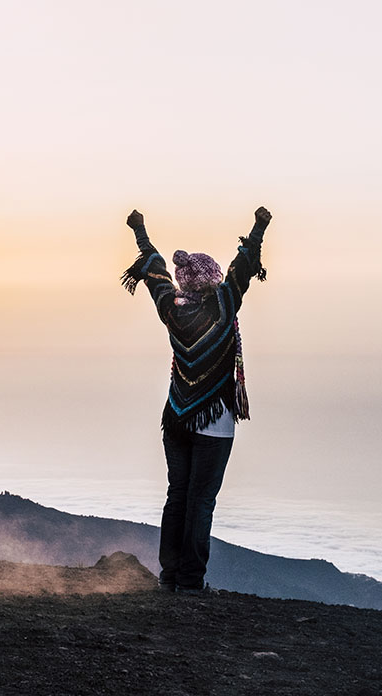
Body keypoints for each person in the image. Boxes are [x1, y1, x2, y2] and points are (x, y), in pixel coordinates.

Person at [122, 206, 271, 594]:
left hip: (175, 419)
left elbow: (155, 270)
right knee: (201, 501)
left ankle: (170, 576)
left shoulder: (171, 308)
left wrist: (140, 230)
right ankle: (191, 581)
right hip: (214, 424)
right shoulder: (224, 304)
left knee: (178, 495)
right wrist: (259, 225)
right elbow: (244, 265)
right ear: (212, 279)